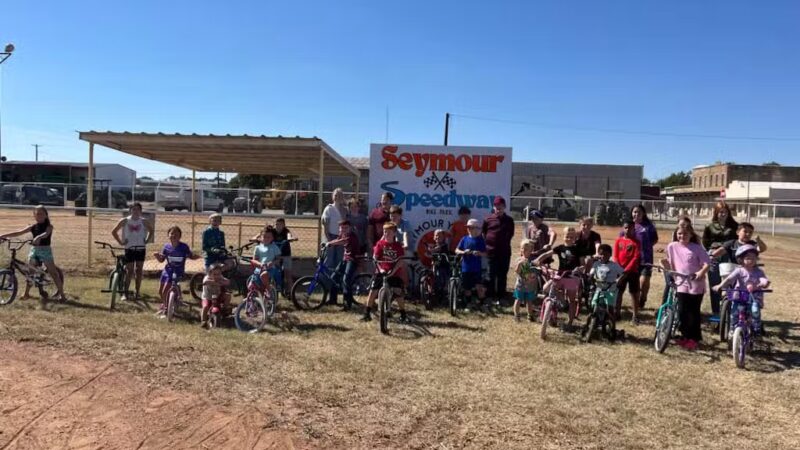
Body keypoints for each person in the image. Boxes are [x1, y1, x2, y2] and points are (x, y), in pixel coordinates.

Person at [0, 205, 66, 303]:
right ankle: (27, 293)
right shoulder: (33, 226)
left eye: (41, 214)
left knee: (54, 273)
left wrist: (38, 237)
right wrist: (2, 235)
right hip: (34, 250)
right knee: (30, 273)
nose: (38, 216)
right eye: (36, 214)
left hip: (45, 251)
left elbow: (46, 234)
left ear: (45, 215)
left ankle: (62, 295)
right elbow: (18, 232)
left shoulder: (49, 226)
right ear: (34, 216)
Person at [662, 224, 711, 351]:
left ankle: (694, 338)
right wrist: (663, 265)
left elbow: (707, 263)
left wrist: (700, 273)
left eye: (685, 234)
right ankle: (684, 336)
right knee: (682, 310)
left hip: (696, 283)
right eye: (679, 234)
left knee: (693, 312)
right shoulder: (672, 246)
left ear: (691, 235)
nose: (682, 236)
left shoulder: (697, 248)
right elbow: (669, 263)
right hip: (681, 282)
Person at [712, 244, 770, 338]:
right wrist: (720, 285)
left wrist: (764, 283)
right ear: (741, 260)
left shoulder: (759, 271)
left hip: (754, 296)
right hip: (740, 295)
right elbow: (729, 279)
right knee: (734, 312)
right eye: (747, 258)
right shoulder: (739, 270)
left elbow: (763, 279)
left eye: (753, 258)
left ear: (756, 259)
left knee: (755, 312)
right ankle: (732, 329)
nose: (751, 260)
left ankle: (756, 330)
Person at [535, 227, 582, 331]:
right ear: (563, 236)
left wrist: (579, 269)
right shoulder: (560, 248)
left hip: (572, 276)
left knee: (572, 300)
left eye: (571, 237)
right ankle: (556, 307)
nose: (569, 238)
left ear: (575, 238)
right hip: (560, 275)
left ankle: (570, 322)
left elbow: (582, 263)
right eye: (567, 236)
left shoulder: (577, 250)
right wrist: (538, 260)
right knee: (546, 288)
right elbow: (547, 254)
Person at [362, 223, 408, 322]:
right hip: (381, 271)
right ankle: (367, 313)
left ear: (394, 233)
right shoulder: (380, 244)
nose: (386, 234)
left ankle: (403, 314)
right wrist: (380, 269)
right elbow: (375, 258)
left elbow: (400, 261)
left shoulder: (398, 246)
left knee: (398, 291)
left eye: (388, 232)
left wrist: (393, 271)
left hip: (394, 272)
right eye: (384, 232)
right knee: (373, 290)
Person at [153, 226, 199, 317]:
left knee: (165, 290)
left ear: (180, 236)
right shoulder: (166, 247)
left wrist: (198, 256)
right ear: (168, 235)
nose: (173, 235)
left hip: (177, 271)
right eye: (171, 233)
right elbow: (161, 260)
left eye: (176, 234)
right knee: (160, 291)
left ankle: (167, 309)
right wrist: (157, 256)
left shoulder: (183, 247)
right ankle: (167, 304)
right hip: (167, 271)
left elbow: (190, 255)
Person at [702, 202, 739, 317]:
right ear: (716, 213)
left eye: (725, 211)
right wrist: (711, 250)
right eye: (720, 212)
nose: (723, 214)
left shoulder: (734, 226)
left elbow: (736, 241)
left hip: (728, 256)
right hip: (714, 256)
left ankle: (729, 313)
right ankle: (716, 313)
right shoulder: (709, 226)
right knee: (715, 284)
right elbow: (705, 241)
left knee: (729, 284)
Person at [111, 202, 153, 301]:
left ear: (140, 211)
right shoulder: (125, 221)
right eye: (133, 209)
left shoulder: (144, 221)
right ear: (130, 210)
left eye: (138, 209)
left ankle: (137, 292)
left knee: (138, 271)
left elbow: (151, 230)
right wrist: (121, 242)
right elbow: (114, 231)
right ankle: (125, 293)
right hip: (129, 249)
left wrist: (146, 240)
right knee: (129, 271)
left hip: (140, 249)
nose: (136, 211)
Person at [624, 204, 659, 309]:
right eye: (634, 212)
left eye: (639, 212)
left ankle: (643, 298)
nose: (636, 214)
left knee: (644, 281)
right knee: (634, 284)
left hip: (645, 259)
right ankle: (636, 303)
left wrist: (646, 247)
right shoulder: (627, 226)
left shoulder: (648, 226)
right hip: (631, 260)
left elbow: (655, 239)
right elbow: (622, 240)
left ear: (643, 214)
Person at [482, 196, 515, 303]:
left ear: (504, 207)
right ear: (493, 207)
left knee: (502, 275)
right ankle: (490, 296)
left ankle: (501, 296)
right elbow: (484, 233)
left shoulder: (509, 220)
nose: (498, 208)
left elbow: (511, 234)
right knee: (490, 275)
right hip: (491, 252)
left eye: (500, 206)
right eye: (496, 206)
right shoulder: (488, 219)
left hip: (504, 252)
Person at [660, 216, 698, 304]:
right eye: (680, 224)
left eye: (685, 225)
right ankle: (665, 305)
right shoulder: (675, 235)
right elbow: (669, 253)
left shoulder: (694, 238)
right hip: (673, 265)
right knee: (669, 283)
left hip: (686, 266)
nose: (682, 227)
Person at [455, 218, 488, 310]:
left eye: (471, 227)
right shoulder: (464, 239)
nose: (469, 229)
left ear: (477, 228)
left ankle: (482, 304)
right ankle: (468, 304)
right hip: (465, 268)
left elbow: (486, 253)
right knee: (467, 288)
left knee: (479, 287)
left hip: (476, 269)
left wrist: (479, 253)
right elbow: (456, 250)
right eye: (468, 227)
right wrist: (463, 252)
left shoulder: (480, 240)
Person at [327, 220, 360, 310]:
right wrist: (328, 243)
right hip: (345, 259)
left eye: (346, 227)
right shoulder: (342, 234)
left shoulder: (351, 236)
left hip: (353, 260)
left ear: (350, 228)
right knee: (334, 277)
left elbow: (342, 242)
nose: (344, 229)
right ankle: (332, 300)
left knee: (346, 280)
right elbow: (338, 240)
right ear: (339, 228)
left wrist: (330, 243)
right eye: (342, 227)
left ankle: (347, 304)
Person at [613, 220, 642, 324]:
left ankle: (635, 316)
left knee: (634, 293)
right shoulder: (618, 241)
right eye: (625, 227)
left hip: (632, 272)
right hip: (620, 271)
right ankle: (616, 313)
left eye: (630, 228)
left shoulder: (636, 242)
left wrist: (626, 270)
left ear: (633, 229)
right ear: (623, 228)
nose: (627, 230)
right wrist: (619, 268)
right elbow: (615, 256)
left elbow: (635, 257)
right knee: (618, 292)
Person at [588, 244, 624, 318]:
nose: (603, 256)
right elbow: (591, 273)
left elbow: (623, 273)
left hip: (611, 289)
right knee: (594, 303)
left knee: (610, 306)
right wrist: (591, 277)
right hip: (599, 288)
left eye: (606, 254)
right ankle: (593, 321)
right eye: (601, 254)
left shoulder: (614, 265)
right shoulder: (596, 264)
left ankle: (611, 322)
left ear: (610, 255)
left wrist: (618, 280)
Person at [512, 239, 539, 322]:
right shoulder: (518, 259)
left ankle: (530, 315)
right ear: (521, 249)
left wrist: (537, 265)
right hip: (520, 285)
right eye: (523, 248)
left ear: (531, 250)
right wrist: (520, 264)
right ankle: (517, 315)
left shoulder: (533, 260)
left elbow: (537, 270)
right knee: (518, 300)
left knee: (529, 301)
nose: (525, 251)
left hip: (530, 286)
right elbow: (516, 271)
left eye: (528, 249)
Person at [321, 188, 346, 269]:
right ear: (333, 197)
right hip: (330, 236)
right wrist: (329, 240)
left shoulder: (345, 210)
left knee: (339, 260)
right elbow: (325, 226)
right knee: (329, 261)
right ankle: (325, 281)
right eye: (335, 195)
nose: (337, 197)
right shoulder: (329, 209)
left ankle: (336, 280)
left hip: (341, 238)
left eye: (339, 195)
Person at [200, 263, 231, 328]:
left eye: (218, 274)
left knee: (228, 295)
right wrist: (215, 282)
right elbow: (205, 282)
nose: (217, 276)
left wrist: (224, 281)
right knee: (205, 307)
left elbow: (227, 281)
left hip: (217, 296)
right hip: (207, 297)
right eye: (214, 274)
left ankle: (224, 309)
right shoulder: (207, 278)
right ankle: (203, 321)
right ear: (209, 274)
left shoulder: (220, 277)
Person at [253, 226, 282, 291]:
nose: (266, 239)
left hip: (270, 268)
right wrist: (259, 264)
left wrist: (272, 263)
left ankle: (268, 289)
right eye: (264, 237)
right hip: (259, 269)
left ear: (272, 238)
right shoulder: (257, 248)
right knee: (251, 285)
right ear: (261, 237)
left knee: (264, 275)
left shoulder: (274, 247)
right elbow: (254, 260)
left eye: (268, 237)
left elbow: (278, 259)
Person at [429, 229, 452, 305]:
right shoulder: (434, 245)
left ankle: (443, 296)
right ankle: (432, 294)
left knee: (441, 280)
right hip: (435, 266)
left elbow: (436, 250)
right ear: (433, 237)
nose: (437, 237)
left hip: (444, 267)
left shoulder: (444, 245)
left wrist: (431, 250)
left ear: (443, 237)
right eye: (436, 235)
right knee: (431, 277)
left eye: (440, 235)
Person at [274, 218, 296, 292]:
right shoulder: (273, 231)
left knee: (288, 275)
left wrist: (290, 238)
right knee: (274, 273)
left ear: (283, 225)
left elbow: (289, 235)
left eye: (279, 224)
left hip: (286, 255)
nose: (277, 226)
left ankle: (291, 292)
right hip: (276, 256)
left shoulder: (286, 231)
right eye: (276, 224)